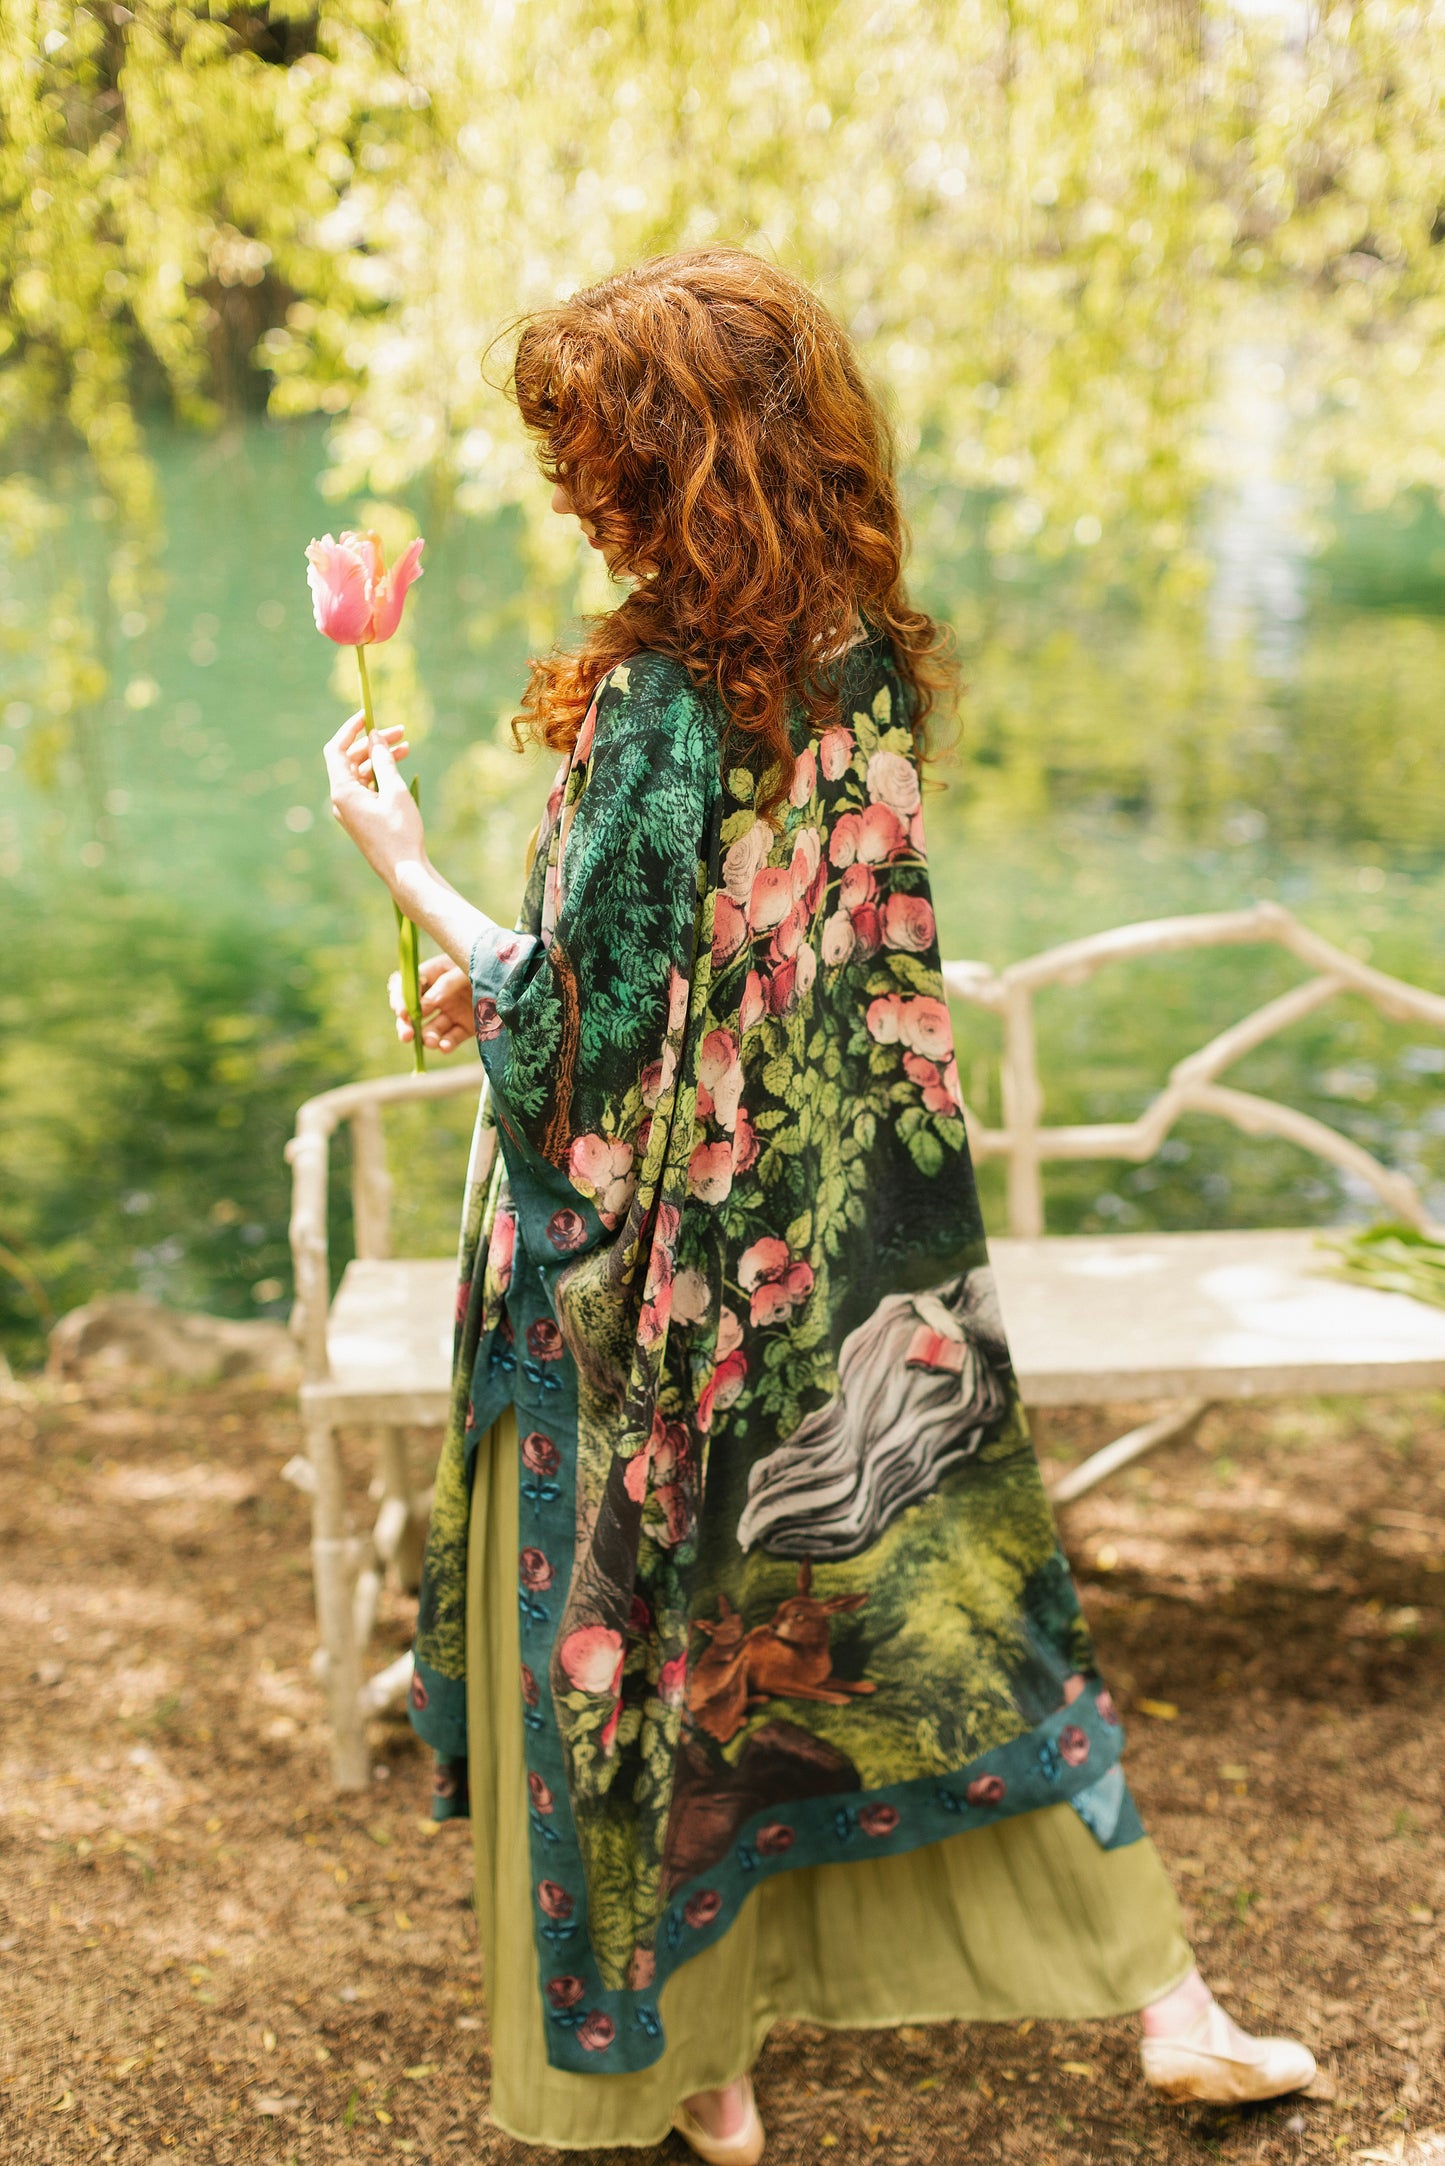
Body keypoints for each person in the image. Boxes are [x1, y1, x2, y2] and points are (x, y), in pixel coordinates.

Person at [322, 249, 1316, 2162]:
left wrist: (414, 871)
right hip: (853, 1270)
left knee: (639, 1649)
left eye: (593, 453)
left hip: (653, 1295)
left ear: (672, 464)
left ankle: (699, 2061)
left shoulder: (655, 699)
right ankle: (1168, 2007)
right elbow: (759, 964)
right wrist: (510, 970)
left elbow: (591, 1037)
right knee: (956, 1612)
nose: (571, 488)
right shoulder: (859, 654)